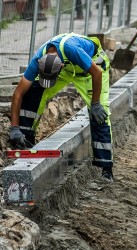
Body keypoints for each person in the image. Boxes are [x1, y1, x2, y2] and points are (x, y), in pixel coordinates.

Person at [8, 33, 114, 181]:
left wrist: (95, 104)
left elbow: (96, 74)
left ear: (61, 67)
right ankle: (25, 140)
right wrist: (14, 127)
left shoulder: (73, 50)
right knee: (33, 92)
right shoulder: (38, 58)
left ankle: (106, 168)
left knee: (99, 114)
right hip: (68, 69)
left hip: (92, 70)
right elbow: (18, 93)